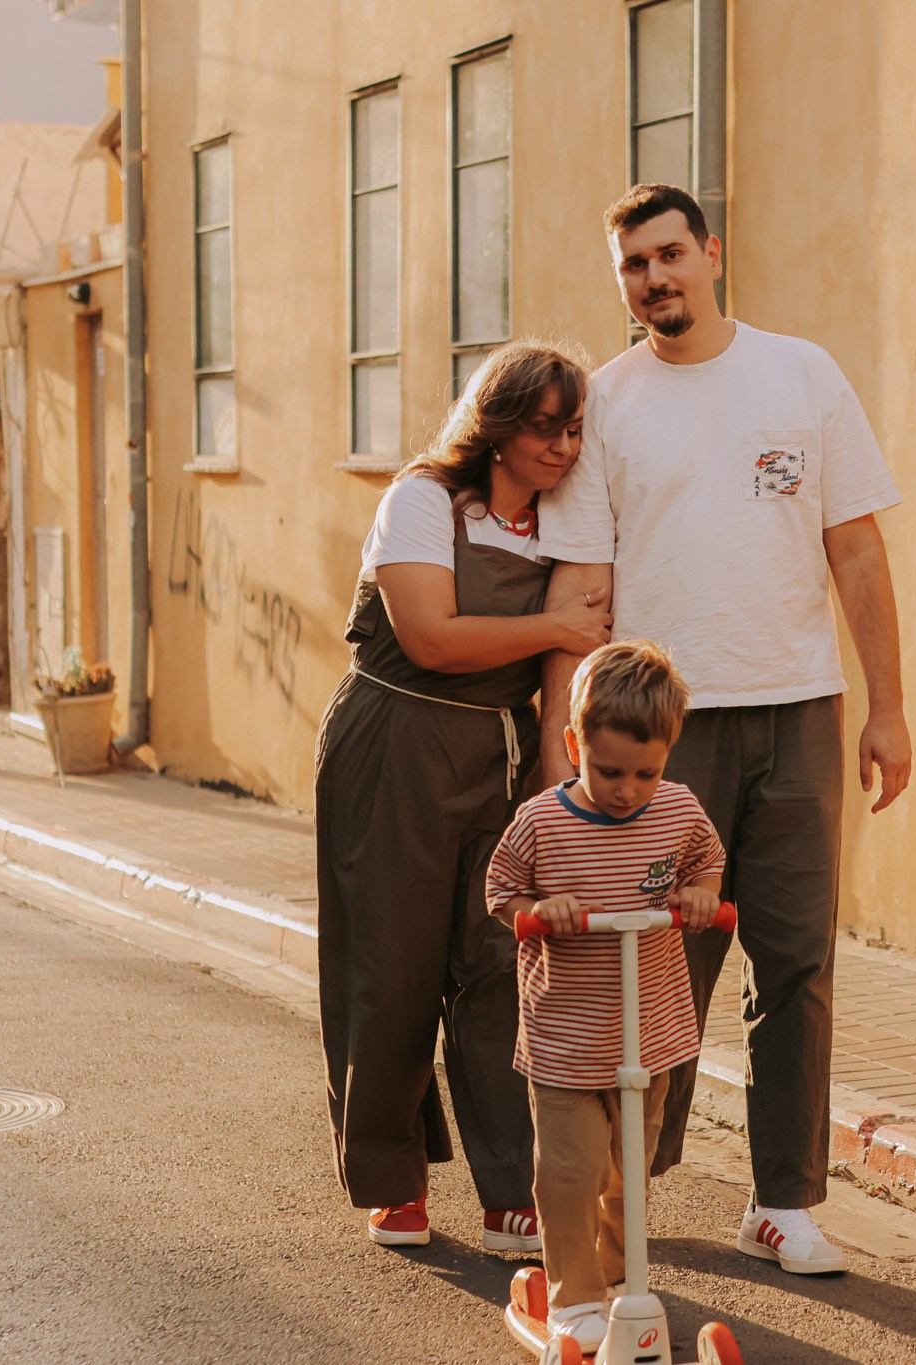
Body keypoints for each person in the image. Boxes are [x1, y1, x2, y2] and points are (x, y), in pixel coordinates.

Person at [536, 184, 911, 1276]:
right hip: (657, 733)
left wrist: (885, 706)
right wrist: (565, 741)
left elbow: (856, 551)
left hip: (796, 709)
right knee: (653, 970)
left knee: (795, 962)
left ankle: (783, 1202)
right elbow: (585, 588)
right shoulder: (605, 404)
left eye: (668, 255)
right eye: (632, 267)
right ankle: (629, 1196)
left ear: (709, 252)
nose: (654, 279)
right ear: (622, 283)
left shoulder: (802, 375)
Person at [315, 340, 613, 1251]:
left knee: (497, 965)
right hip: (393, 737)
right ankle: (391, 1180)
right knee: (389, 966)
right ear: (495, 425)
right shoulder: (421, 501)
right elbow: (433, 635)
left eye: (572, 429)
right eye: (541, 427)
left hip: (499, 746)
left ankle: (508, 1184)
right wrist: (554, 623)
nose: (562, 447)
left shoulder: (565, 524)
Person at [486, 640, 726, 1352]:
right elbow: (501, 890)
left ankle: (624, 1281)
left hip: (649, 1033)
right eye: (608, 770)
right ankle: (576, 1299)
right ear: (573, 745)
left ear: (668, 755)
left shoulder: (677, 809)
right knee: (570, 1172)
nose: (627, 789)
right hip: (566, 1039)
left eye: (646, 772)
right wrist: (539, 907)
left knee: (630, 1175)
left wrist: (701, 896)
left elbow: (707, 858)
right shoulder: (542, 822)